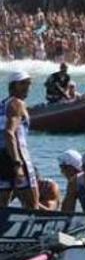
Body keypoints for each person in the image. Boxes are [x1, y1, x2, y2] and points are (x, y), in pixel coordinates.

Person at [0, 71, 39, 209]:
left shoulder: (2, 104)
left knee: (2, 204)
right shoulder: (17, 103)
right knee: (31, 204)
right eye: (22, 83)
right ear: (12, 86)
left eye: (28, 83)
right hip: (18, 156)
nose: (27, 87)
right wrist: (17, 164)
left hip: (2, 157)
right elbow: (9, 133)